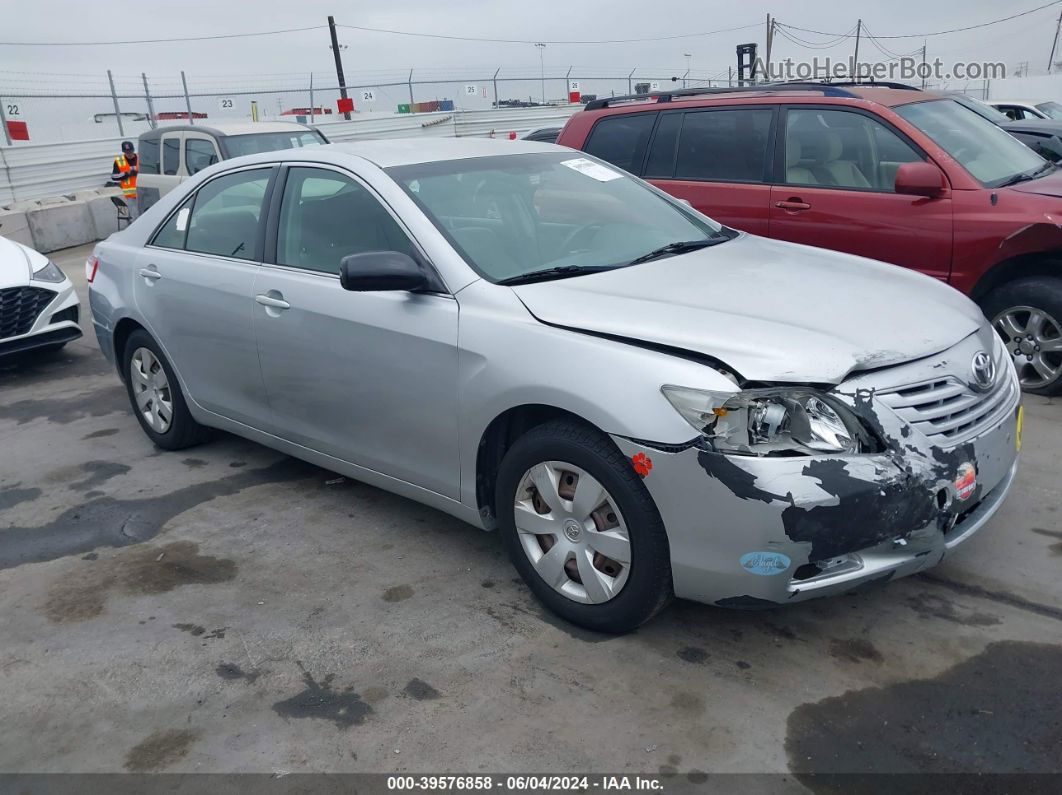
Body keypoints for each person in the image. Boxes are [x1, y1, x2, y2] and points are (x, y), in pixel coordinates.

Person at [111, 141, 138, 217]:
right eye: (127, 151)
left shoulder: (140, 158)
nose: (129, 153)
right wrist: (126, 174)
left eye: (130, 151)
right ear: (123, 151)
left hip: (144, 192)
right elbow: (114, 176)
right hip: (130, 195)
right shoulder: (119, 161)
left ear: (133, 150)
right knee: (135, 216)